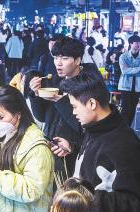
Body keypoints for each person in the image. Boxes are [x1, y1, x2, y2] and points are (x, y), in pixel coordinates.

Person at [59, 72, 140, 212]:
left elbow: (132, 203)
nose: (74, 112)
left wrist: (83, 202)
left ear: (92, 103)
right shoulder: (94, 129)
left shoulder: (124, 143)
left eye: (75, 106)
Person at [28, 37, 84, 178]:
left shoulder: (86, 87)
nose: (58, 63)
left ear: (77, 60)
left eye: (64, 58)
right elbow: (41, 116)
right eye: (56, 58)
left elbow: (83, 125)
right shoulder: (55, 83)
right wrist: (35, 94)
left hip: (70, 152)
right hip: (50, 145)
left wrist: (60, 101)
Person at [118, 34, 140, 126]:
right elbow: (125, 71)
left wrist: (131, 69)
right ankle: (123, 130)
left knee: (132, 110)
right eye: (137, 43)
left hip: (137, 87)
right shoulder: (123, 57)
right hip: (125, 87)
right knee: (125, 109)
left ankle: (127, 129)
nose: (139, 44)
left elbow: (128, 70)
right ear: (131, 44)